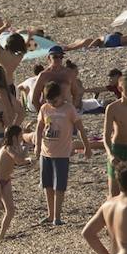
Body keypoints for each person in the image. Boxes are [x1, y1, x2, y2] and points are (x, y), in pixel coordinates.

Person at [34, 80, 91, 225]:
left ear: (61, 96)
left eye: (55, 100)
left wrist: (87, 146)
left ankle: (57, 217)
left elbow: (80, 128)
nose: (52, 103)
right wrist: (37, 145)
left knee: (59, 186)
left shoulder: (69, 109)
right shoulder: (45, 108)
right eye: (49, 100)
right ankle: (50, 214)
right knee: (47, 185)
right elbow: (40, 128)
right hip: (46, 153)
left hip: (62, 154)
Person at [30, 46, 81, 111]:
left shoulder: (69, 73)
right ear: (49, 58)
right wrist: (42, 113)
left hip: (66, 111)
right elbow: (35, 98)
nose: (58, 59)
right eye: (55, 57)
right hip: (49, 111)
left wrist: (72, 110)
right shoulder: (43, 75)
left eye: (61, 57)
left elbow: (76, 94)